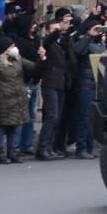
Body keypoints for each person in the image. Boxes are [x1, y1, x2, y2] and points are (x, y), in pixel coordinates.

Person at [0, 43, 39, 164]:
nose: (14, 48)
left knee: (14, 126)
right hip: (3, 100)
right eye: (11, 46)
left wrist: (42, 58)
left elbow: (34, 67)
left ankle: (11, 153)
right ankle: (0, 154)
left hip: (18, 100)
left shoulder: (18, 59)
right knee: (0, 127)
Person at [37, 9, 73, 160]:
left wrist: (64, 31)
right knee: (51, 116)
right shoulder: (46, 43)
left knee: (56, 117)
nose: (57, 31)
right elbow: (49, 40)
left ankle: (50, 147)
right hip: (50, 83)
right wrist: (57, 31)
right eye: (54, 29)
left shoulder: (61, 44)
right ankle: (42, 148)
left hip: (61, 84)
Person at [69, 18, 106, 159]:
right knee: (84, 118)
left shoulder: (100, 44)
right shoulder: (83, 42)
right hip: (85, 84)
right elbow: (77, 51)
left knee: (93, 119)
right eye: (96, 28)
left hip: (97, 85)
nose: (99, 31)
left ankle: (89, 147)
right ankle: (81, 148)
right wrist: (89, 35)